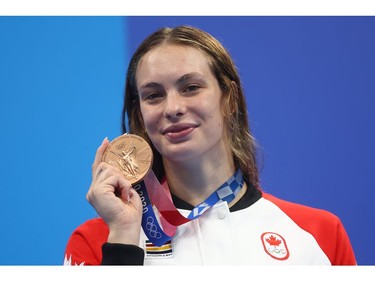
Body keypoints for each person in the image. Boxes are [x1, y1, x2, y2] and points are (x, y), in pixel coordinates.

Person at [63, 25, 356, 265]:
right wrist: (124, 243)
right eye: (153, 95)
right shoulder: (98, 241)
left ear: (228, 98)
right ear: (139, 114)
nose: (173, 108)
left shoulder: (319, 234)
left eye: (191, 88)